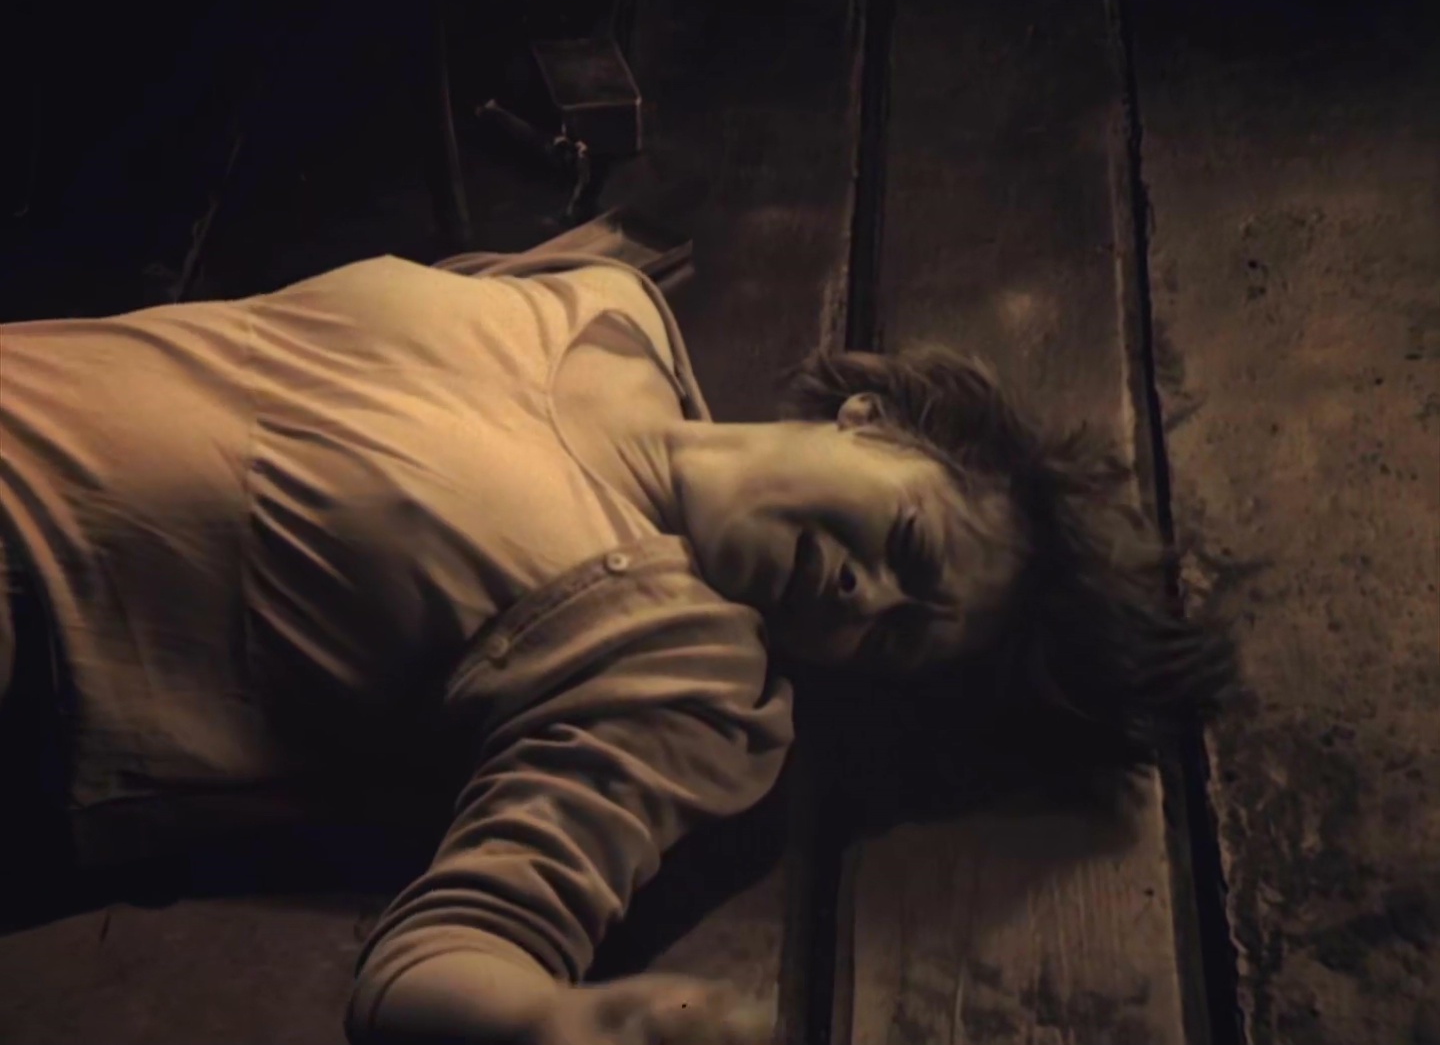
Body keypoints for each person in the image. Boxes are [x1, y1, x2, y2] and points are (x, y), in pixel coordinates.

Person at [0, 252, 1233, 1043]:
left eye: (892, 636)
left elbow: (456, 946)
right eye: (907, 541)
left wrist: (548, 1022)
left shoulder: (680, 669)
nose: (862, 593)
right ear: (875, 420)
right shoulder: (606, 302)